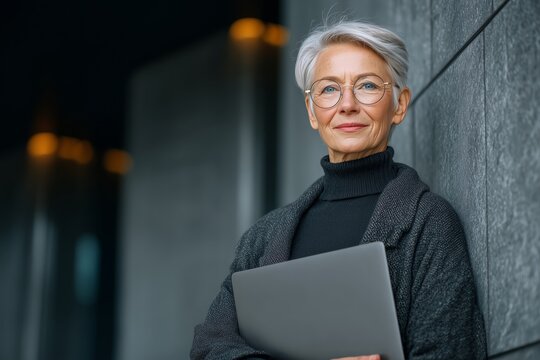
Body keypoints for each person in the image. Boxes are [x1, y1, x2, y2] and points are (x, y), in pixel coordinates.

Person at [190, 19, 487, 359]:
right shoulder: (262, 237)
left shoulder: (429, 223)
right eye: (329, 89)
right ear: (312, 111)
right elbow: (208, 348)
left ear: (400, 105)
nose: (347, 104)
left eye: (367, 86)